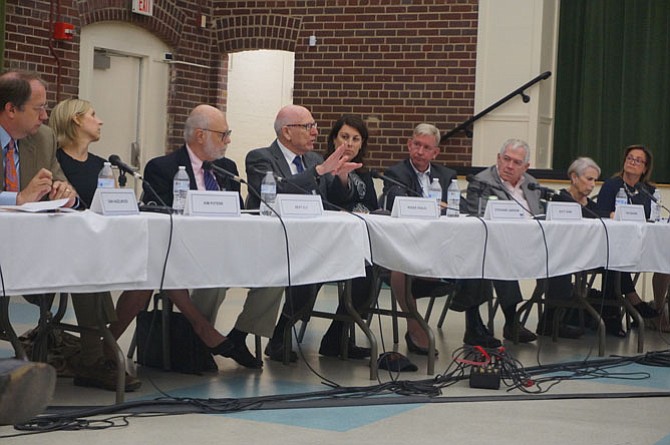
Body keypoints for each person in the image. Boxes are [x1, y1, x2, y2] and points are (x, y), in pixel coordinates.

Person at [110, 104, 268, 370]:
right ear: (200, 135)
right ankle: (201, 333)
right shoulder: (162, 168)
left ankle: (233, 335)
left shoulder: (226, 167)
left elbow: (238, 211)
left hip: (225, 250)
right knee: (194, 274)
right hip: (180, 252)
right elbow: (160, 216)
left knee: (273, 275)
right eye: (223, 134)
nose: (228, 141)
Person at [245, 104, 362, 362]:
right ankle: (277, 336)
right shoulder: (260, 158)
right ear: (287, 132)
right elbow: (274, 192)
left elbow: (336, 198)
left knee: (360, 265)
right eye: (309, 126)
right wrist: (320, 172)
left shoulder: (314, 159)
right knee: (307, 267)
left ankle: (304, 334)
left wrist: (341, 177)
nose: (316, 132)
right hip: (271, 244)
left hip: (311, 243)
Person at [48, 98, 142, 391]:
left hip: (95, 246)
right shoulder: (55, 160)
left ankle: (97, 352)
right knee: (89, 269)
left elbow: (111, 208)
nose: (99, 121)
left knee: (117, 268)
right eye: (93, 115)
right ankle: (94, 357)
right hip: (59, 246)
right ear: (76, 120)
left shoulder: (103, 165)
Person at [381, 123, 458, 354]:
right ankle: (414, 327)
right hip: (406, 246)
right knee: (399, 268)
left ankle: (476, 328)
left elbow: (455, 208)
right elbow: (398, 202)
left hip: (439, 248)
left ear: (435, 152)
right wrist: (436, 205)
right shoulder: (396, 173)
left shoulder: (446, 176)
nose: (420, 151)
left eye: (426, 147)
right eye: (416, 145)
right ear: (409, 144)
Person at [463, 138, 542, 344]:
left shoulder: (532, 184)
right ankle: (493, 323)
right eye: (506, 159)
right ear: (498, 159)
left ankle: (554, 318)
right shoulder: (481, 182)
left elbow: (539, 214)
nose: (509, 166)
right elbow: (475, 218)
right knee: (497, 255)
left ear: (526, 167)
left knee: (559, 257)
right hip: (492, 245)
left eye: (516, 162)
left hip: (529, 244)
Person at [595, 145, 668, 328]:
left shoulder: (648, 191)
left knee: (665, 258)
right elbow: (599, 213)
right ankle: (635, 301)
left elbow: (653, 217)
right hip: (612, 245)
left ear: (645, 168)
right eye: (630, 158)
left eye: (638, 160)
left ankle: (660, 310)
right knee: (620, 257)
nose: (632, 162)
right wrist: (612, 214)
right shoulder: (612, 185)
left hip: (641, 244)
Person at [540, 157, 608, 338]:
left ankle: (610, 314)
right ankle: (550, 321)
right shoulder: (559, 199)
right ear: (574, 177)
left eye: (595, 180)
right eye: (589, 179)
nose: (593, 185)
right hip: (558, 255)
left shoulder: (593, 206)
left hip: (588, 255)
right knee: (560, 266)